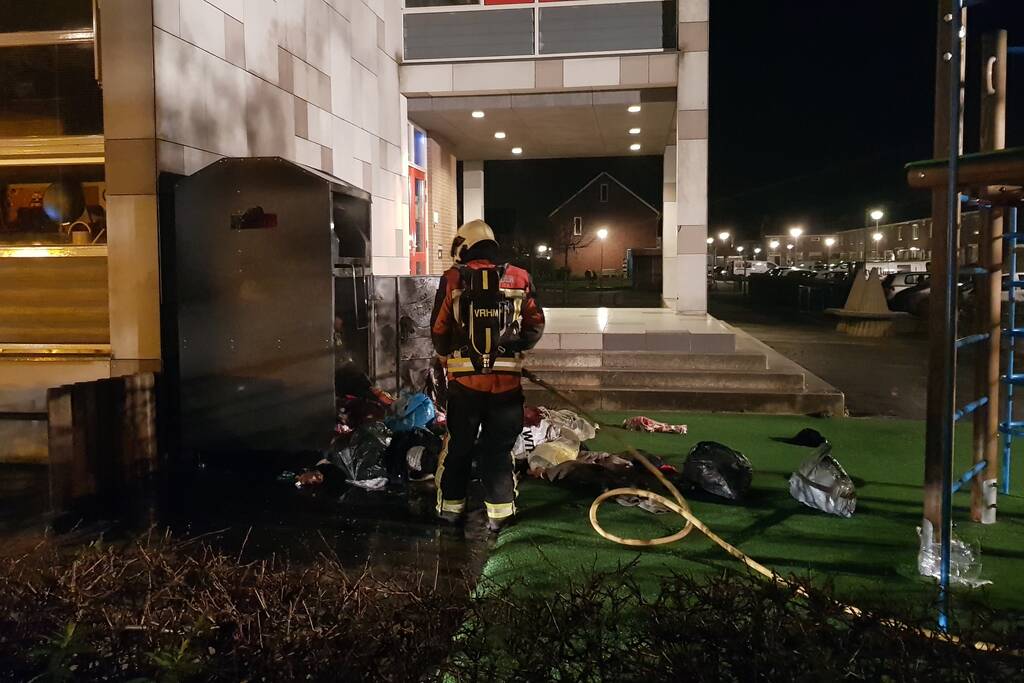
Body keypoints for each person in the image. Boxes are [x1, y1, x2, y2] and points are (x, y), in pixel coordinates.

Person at [430, 219, 545, 532]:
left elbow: (439, 331)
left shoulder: (454, 278)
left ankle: (451, 511)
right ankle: (500, 517)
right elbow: (535, 324)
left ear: (464, 247)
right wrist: (511, 349)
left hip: (465, 387)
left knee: (459, 448)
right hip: (506, 387)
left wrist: (452, 353)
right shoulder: (519, 277)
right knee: (498, 452)